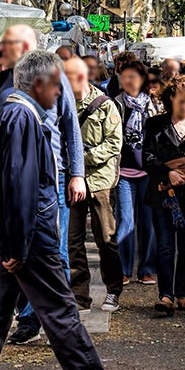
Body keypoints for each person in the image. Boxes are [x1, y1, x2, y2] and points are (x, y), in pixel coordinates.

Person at [0, 51, 144, 370]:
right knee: (60, 310)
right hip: (29, 237)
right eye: (57, 85)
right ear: (39, 84)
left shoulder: (13, 112)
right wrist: (16, 247)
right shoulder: (22, 117)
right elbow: (19, 188)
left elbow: (3, 185)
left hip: (17, 237)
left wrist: (6, 242)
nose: (61, 93)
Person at [0, 24, 85, 346]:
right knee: (14, 251)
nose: (3, 50)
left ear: (28, 48)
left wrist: (77, 173)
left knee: (50, 250)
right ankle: (30, 316)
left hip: (51, 179)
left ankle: (46, 319)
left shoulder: (53, 78)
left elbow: (70, 126)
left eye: (9, 44)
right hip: (8, 181)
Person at [144, 74, 185, 316]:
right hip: (163, 194)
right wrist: (167, 173)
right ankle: (165, 295)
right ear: (171, 98)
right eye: (181, 101)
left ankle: (183, 293)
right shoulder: (155, 124)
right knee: (165, 246)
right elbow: (147, 157)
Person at [64, 56, 123, 311]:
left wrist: (82, 158)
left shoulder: (105, 105)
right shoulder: (62, 105)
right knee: (73, 241)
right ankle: (80, 296)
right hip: (72, 181)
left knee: (106, 238)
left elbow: (114, 143)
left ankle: (113, 290)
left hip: (100, 180)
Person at [112, 58, 158, 287]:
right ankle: (123, 269)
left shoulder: (152, 105)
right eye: (125, 76)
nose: (129, 80)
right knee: (126, 221)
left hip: (148, 172)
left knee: (148, 223)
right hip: (124, 172)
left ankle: (147, 269)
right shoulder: (116, 104)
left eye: (134, 76)